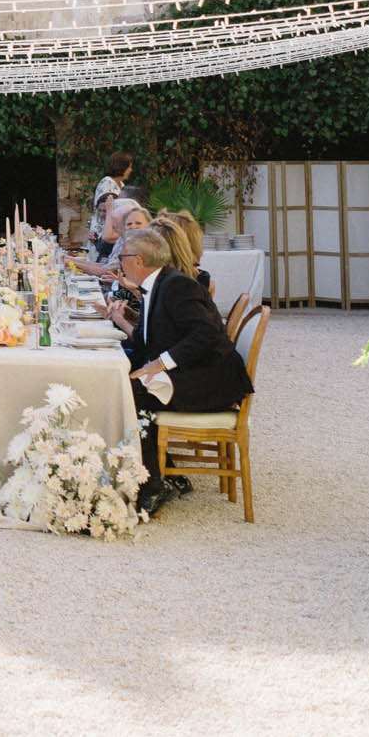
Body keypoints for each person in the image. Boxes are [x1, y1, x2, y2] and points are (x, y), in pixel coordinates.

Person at [110, 228, 252, 515]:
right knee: (128, 382)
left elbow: (206, 334)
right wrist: (120, 321)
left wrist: (160, 364)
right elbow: (152, 338)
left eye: (122, 257)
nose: (119, 263)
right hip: (194, 371)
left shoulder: (177, 286)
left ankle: (154, 483)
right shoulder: (157, 284)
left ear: (138, 260)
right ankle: (168, 472)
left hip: (209, 380)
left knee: (131, 391)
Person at [71, 200, 149, 281]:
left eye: (138, 223)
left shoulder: (137, 244)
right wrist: (70, 260)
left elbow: (106, 271)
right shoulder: (122, 238)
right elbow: (106, 266)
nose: (112, 227)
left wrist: (71, 261)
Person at [89, 152, 136, 248]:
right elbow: (104, 210)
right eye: (129, 167)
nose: (131, 170)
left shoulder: (121, 184)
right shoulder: (107, 183)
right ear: (121, 167)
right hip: (103, 234)